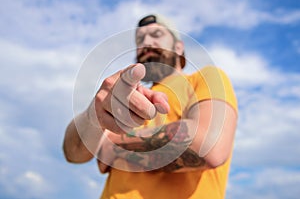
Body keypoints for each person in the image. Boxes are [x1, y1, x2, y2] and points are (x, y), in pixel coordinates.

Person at [63, 14, 238, 199]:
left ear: (178, 47)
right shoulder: (128, 98)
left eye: (156, 34)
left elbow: (208, 145)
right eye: (139, 39)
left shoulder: (205, 79)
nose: (146, 42)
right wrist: (94, 113)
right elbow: (73, 153)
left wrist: (112, 146)